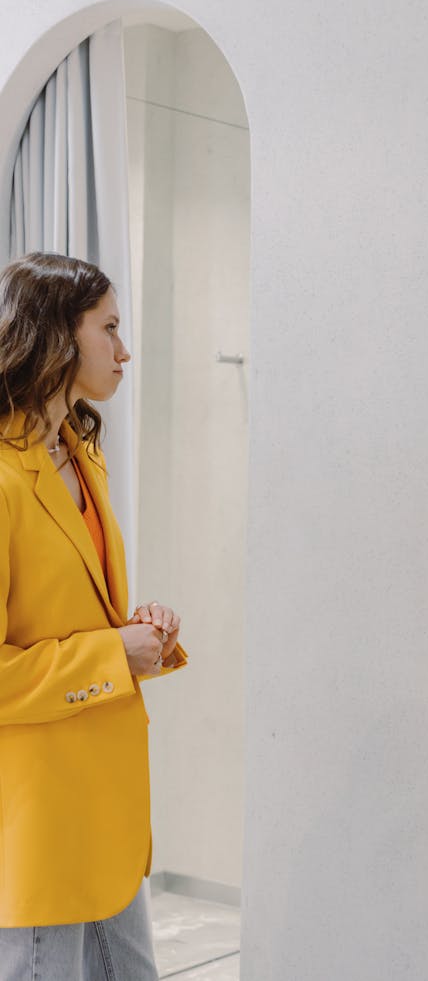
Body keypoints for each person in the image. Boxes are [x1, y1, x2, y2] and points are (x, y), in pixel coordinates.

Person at [0, 252, 187, 980]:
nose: (124, 348)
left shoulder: (80, 452)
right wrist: (114, 655)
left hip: (104, 814)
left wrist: (140, 631)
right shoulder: (4, 478)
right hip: (40, 823)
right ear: (56, 334)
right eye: (108, 327)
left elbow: (76, 614)